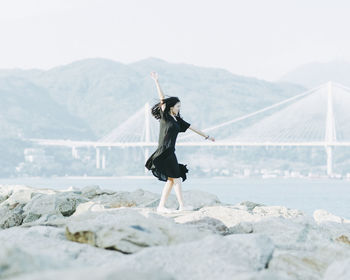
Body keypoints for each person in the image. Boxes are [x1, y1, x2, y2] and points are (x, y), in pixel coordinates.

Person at [145, 72, 215, 213]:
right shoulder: (165, 116)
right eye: (178, 106)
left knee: (172, 180)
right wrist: (157, 82)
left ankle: (161, 206)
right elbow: (162, 99)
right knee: (176, 179)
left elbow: (193, 128)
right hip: (164, 151)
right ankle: (182, 206)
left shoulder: (178, 120)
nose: (179, 109)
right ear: (171, 107)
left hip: (171, 151)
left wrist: (207, 136)